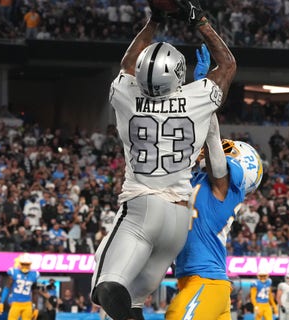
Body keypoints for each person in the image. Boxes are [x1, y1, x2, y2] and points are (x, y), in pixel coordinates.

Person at [90, 0, 238, 317]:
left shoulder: (126, 94)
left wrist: (154, 21)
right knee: (133, 303)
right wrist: (199, 20)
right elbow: (226, 65)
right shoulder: (197, 96)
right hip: (178, 219)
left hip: (141, 206)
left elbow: (126, 65)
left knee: (107, 287)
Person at [165, 139, 263, 320]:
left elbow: (217, 164)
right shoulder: (197, 182)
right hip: (195, 282)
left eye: (226, 150)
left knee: (177, 316)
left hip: (206, 281)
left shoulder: (228, 190)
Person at [0, 253, 40, 320]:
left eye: (27, 264)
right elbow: (7, 288)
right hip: (16, 303)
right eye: (23, 264)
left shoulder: (34, 275)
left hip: (27, 304)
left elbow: (35, 292)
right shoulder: (14, 272)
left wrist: (36, 308)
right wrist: (1, 302)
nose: (25, 266)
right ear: (20, 264)